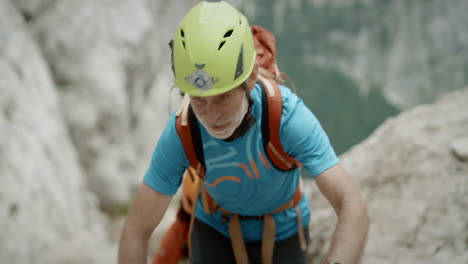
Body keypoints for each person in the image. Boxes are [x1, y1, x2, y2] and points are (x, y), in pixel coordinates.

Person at [118, 1, 369, 264]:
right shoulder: (183, 130)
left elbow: (351, 205)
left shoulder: (286, 119)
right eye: (198, 99)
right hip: (214, 229)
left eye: (223, 97)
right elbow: (135, 231)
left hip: (282, 233)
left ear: (249, 80)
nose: (211, 115)